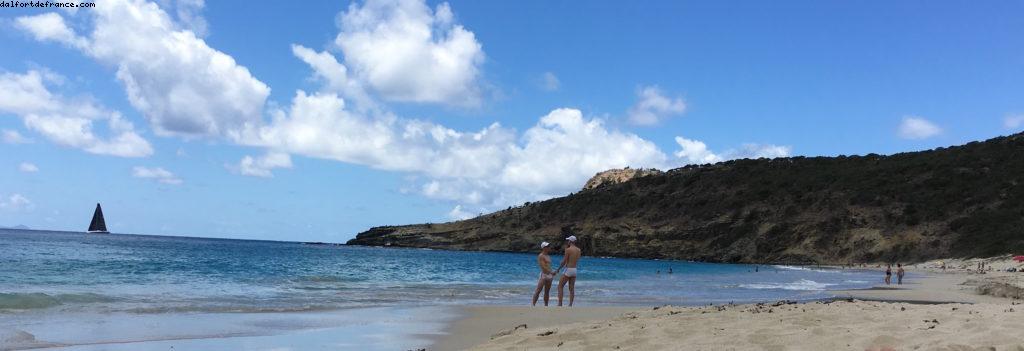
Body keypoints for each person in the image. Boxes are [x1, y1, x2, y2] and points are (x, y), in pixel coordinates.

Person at [556, 235, 582, 307]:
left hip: (568, 269)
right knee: (571, 288)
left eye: (568, 240)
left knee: (560, 286)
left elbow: (564, 261)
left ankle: (560, 303)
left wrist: (558, 269)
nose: (568, 241)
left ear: (570, 241)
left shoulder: (568, 250)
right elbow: (577, 259)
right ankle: (570, 304)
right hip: (574, 269)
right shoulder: (579, 250)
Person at [531, 241, 556, 306]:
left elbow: (548, 266)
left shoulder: (548, 256)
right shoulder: (541, 256)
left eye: (548, 246)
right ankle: (533, 305)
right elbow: (543, 267)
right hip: (544, 275)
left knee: (547, 292)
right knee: (538, 290)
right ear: (543, 248)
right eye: (547, 246)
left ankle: (546, 305)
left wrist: (553, 271)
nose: (548, 247)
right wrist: (551, 272)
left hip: (549, 275)